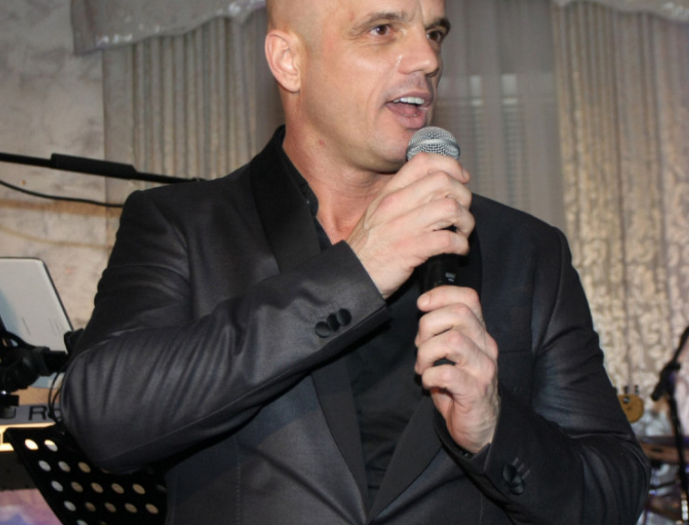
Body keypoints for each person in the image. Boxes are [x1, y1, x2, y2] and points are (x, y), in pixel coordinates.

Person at [60, 0, 650, 523]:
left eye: (434, 33)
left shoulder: (528, 251)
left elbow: (617, 496)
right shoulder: (182, 226)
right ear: (289, 60)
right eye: (382, 29)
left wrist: (496, 429)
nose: (427, 58)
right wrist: (357, 271)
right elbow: (104, 418)